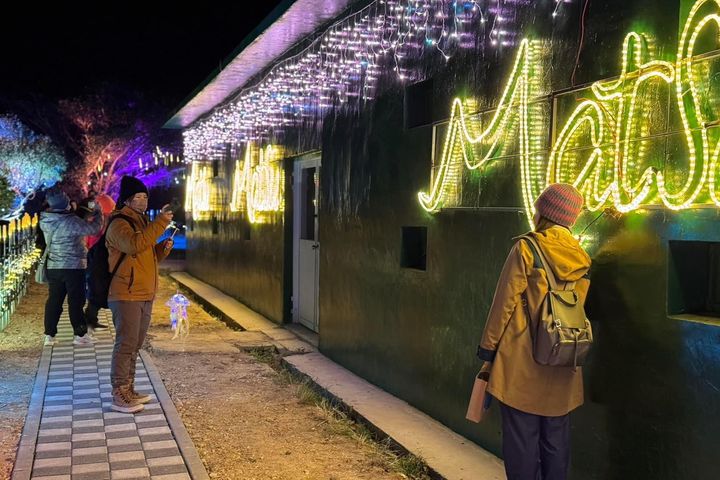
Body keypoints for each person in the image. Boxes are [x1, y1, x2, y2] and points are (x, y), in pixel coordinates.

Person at [476, 183, 591, 480]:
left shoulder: (527, 248)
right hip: (564, 358)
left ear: (543, 212)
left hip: (522, 360)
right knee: (556, 438)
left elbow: (504, 303)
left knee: (521, 440)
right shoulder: (581, 256)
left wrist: (487, 350)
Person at [106, 176, 173, 413]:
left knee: (135, 344)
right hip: (125, 292)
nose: (143, 202)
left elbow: (143, 254)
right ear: (127, 199)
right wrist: (160, 223)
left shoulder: (142, 222)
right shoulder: (119, 223)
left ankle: (129, 388)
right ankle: (119, 393)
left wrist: (160, 250)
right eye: (138, 197)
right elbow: (133, 245)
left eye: (145, 197)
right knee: (125, 344)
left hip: (144, 292)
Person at [40, 190, 103, 346]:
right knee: (76, 301)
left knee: (54, 300)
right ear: (64, 203)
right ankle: (80, 335)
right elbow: (94, 229)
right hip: (73, 267)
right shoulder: (71, 221)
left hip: (54, 266)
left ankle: (49, 335)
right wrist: (98, 211)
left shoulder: (45, 220)